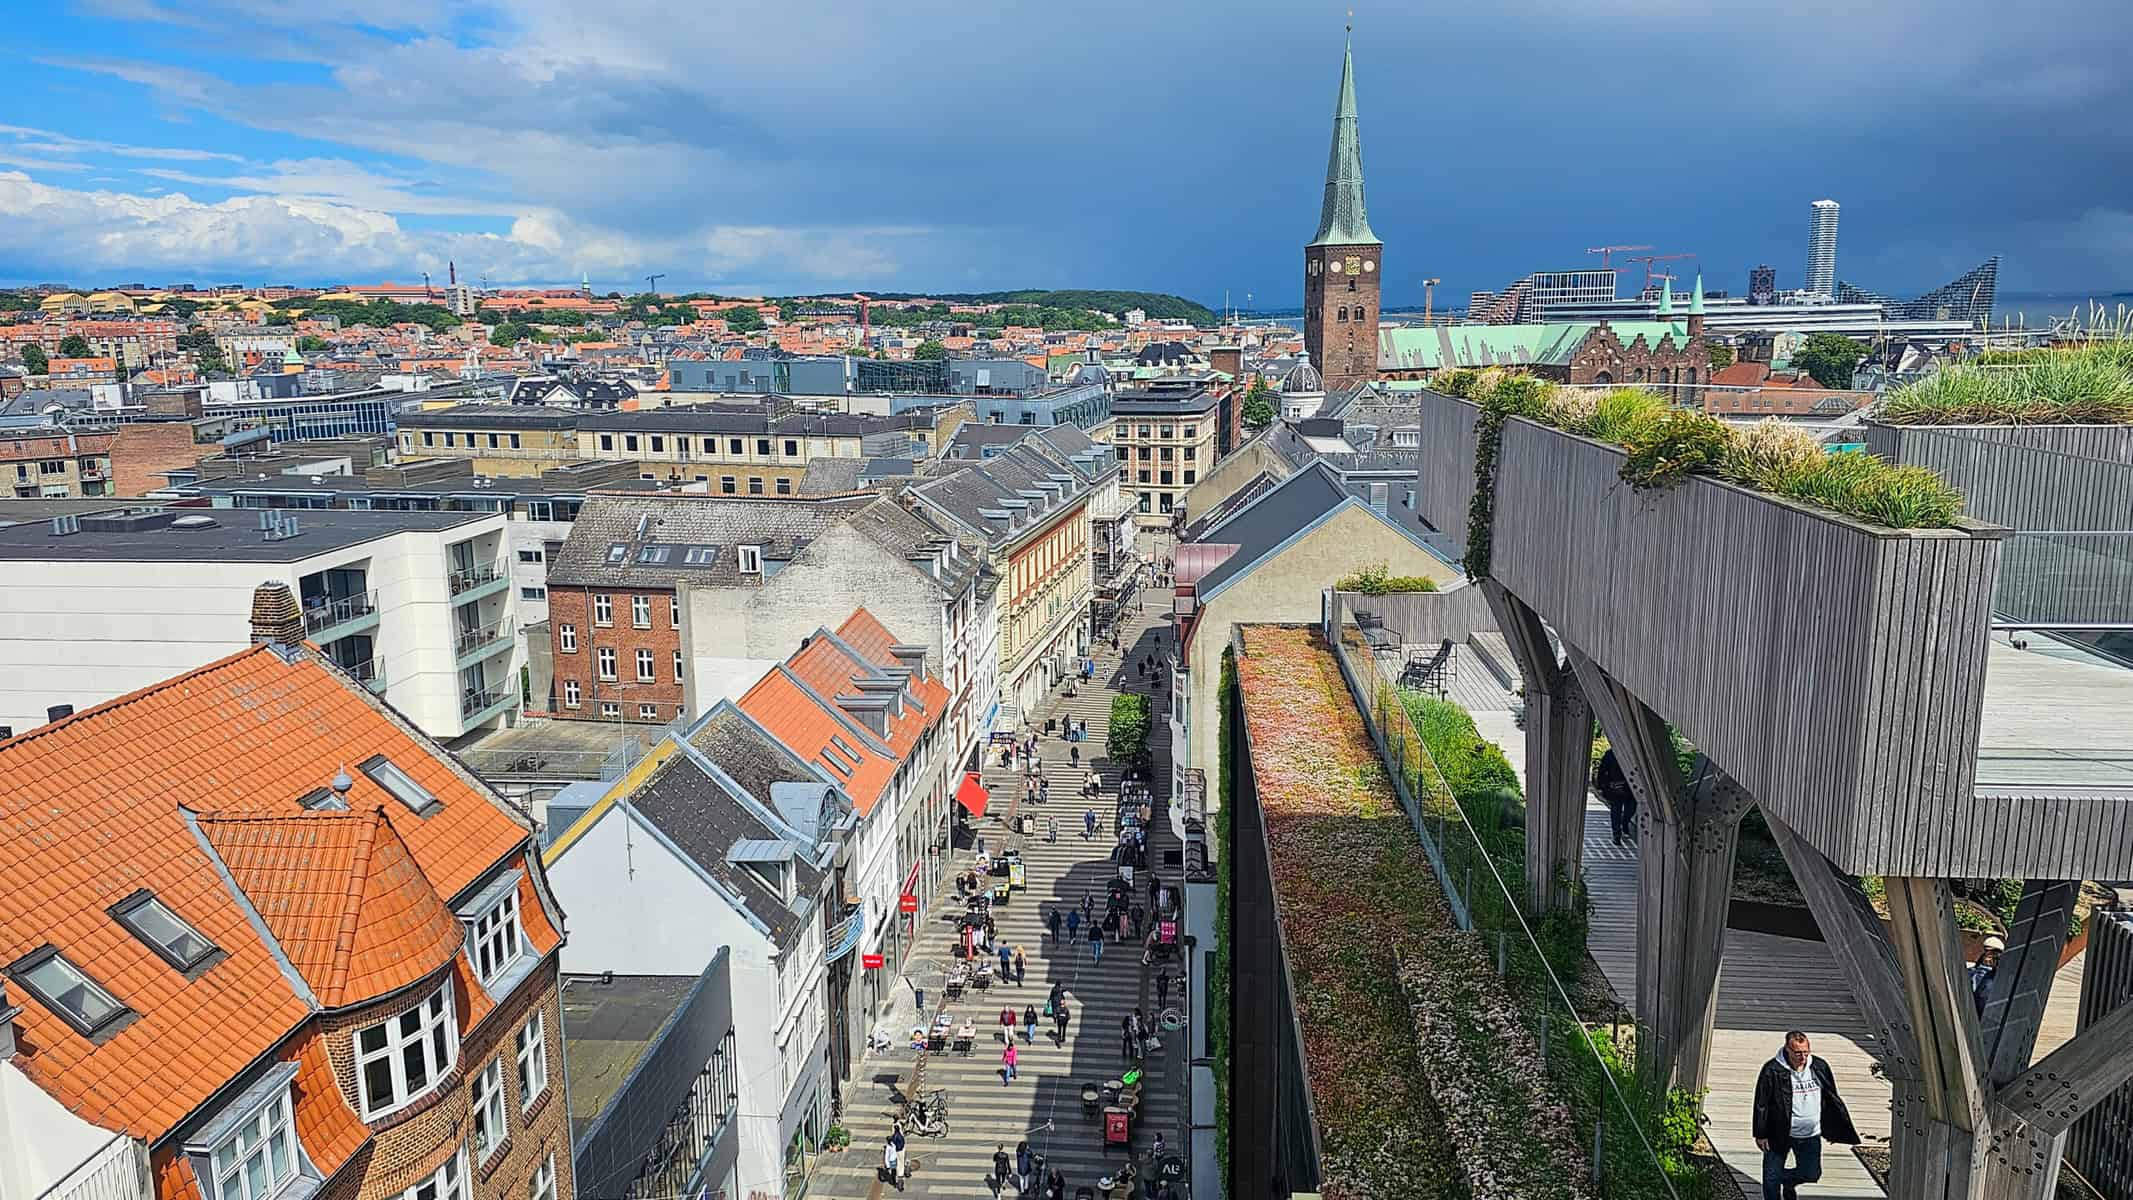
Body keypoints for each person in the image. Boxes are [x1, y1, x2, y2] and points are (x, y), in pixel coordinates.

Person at [1753, 1031, 1859, 1200]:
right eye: (1797, 1053)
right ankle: (1774, 1185)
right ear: (1787, 1049)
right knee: (1771, 1177)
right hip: (1779, 1132)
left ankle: (1787, 1182)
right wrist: (1760, 1133)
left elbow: (1831, 1097)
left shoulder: (1819, 1066)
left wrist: (1834, 1127)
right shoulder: (1772, 1070)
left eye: (1805, 1052)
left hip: (1810, 1133)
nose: (1802, 1056)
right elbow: (1761, 1103)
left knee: (1811, 1173)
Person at [1595, 747, 1638, 847]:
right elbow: (1602, 770)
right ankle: (1616, 834)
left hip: (1630, 788)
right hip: (1615, 787)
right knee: (1616, 810)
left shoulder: (1634, 753)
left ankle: (1624, 822)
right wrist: (1602, 785)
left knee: (1631, 809)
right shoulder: (1610, 754)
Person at [1968, 935, 2005, 1016]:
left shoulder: (1995, 979)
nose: (1988, 956)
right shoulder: (1971, 972)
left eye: (1993, 953)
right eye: (1987, 952)